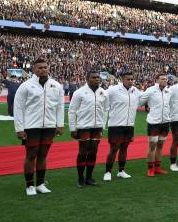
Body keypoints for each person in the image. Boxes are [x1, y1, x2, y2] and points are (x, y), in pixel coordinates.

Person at [13, 58, 64, 196]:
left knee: (43, 155)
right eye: (40, 67)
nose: (43, 70)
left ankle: (40, 183)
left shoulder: (56, 85)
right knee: (31, 155)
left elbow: (60, 106)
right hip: (31, 126)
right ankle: (29, 185)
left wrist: (59, 124)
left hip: (49, 126)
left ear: (48, 69)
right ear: (34, 69)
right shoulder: (26, 86)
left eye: (45, 67)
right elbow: (18, 108)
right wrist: (19, 128)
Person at [68, 70, 109, 188]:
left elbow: (106, 110)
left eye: (98, 77)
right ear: (87, 79)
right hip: (83, 127)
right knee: (82, 153)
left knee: (93, 152)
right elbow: (72, 111)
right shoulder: (79, 92)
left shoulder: (103, 92)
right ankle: (81, 178)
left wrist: (103, 126)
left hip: (97, 128)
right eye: (94, 77)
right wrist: (72, 128)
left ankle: (89, 177)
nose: (97, 79)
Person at [104, 71, 140, 181]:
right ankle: (108, 172)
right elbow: (103, 99)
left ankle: (121, 171)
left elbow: (143, 99)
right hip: (116, 125)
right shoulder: (113, 90)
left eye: (131, 79)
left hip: (129, 125)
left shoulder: (135, 91)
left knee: (124, 148)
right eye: (128, 79)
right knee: (114, 148)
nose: (130, 81)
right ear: (122, 79)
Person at [139, 73, 171, 177]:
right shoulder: (150, 90)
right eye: (162, 79)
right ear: (156, 80)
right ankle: (150, 168)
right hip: (154, 122)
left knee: (160, 146)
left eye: (166, 79)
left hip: (165, 122)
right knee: (153, 146)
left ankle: (157, 167)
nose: (165, 80)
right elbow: (141, 102)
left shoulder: (168, 91)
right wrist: (147, 107)